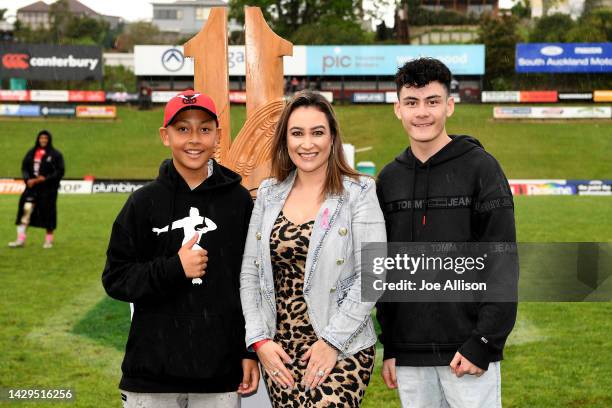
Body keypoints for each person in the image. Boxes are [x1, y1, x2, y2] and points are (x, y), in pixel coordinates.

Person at [102, 90, 259, 408]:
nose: (194, 139)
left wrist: (247, 351)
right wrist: (175, 267)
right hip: (152, 375)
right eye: (183, 128)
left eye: (204, 129)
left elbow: (251, 283)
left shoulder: (239, 202)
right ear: (165, 135)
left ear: (218, 135)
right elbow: (116, 277)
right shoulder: (143, 202)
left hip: (218, 373)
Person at [376, 58, 517, 408]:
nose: (421, 112)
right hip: (410, 355)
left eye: (432, 101)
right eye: (411, 102)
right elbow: (385, 269)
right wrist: (391, 345)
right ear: (397, 109)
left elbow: (502, 263)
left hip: (467, 352)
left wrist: (483, 341)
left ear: (449, 105)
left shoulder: (482, 168)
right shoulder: (388, 179)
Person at [240, 90, 386, 407]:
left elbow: (373, 275)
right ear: (285, 140)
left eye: (317, 132)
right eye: (297, 133)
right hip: (280, 354)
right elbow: (250, 275)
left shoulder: (359, 191)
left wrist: (331, 342)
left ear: (332, 138)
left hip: (341, 347)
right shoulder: (268, 193)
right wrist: (260, 341)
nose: (307, 144)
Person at [9, 130, 64, 249]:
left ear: (49, 140)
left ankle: (48, 240)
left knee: (48, 213)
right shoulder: (31, 153)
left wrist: (45, 179)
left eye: (45, 138)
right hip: (32, 188)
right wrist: (27, 179)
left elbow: (60, 171)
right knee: (25, 211)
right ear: (38, 139)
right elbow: (24, 168)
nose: (43, 140)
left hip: (48, 190)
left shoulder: (55, 154)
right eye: (41, 138)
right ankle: (20, 239)